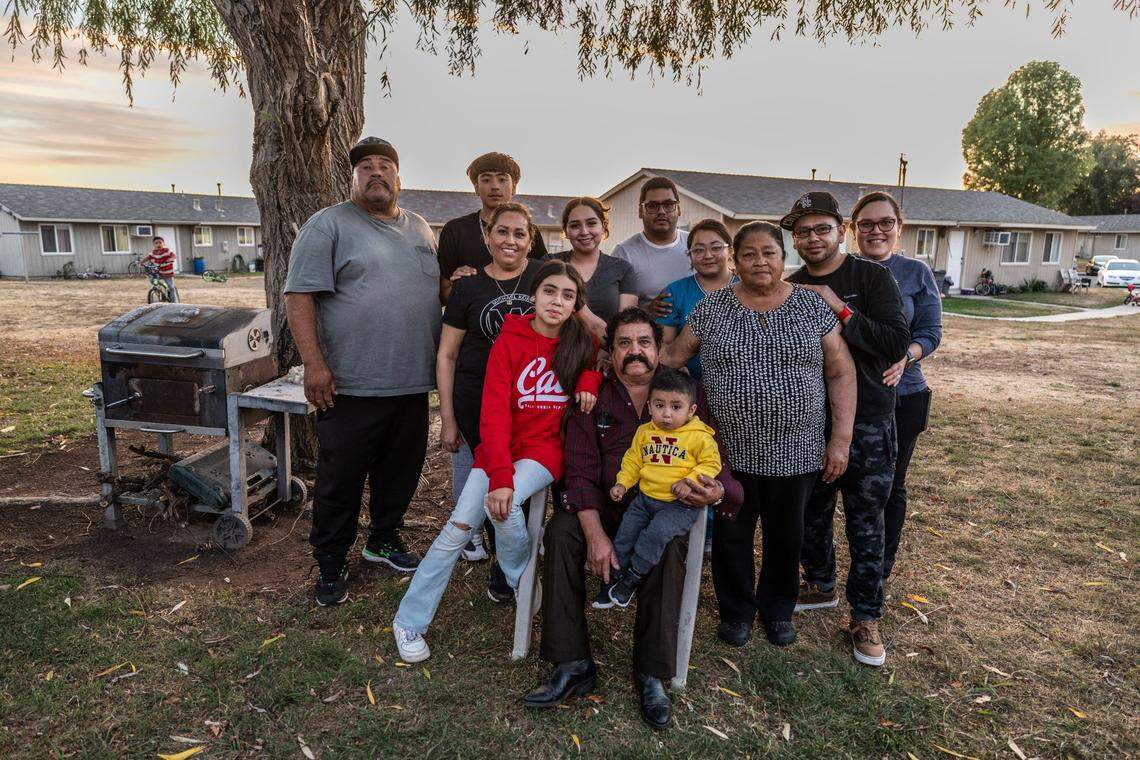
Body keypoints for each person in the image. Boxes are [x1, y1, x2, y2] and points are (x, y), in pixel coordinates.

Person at [522, 308, 743, 730]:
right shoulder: (593, 398)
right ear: (611, 351)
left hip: (663, 507)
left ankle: (651, 672)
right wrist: (595, 535)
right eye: (624, 343)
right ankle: (572, 664)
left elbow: (719, 466)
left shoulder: (686, 394)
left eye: (644, 342)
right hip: (606, 505)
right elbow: (579, 470)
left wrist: (718, 491)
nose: (635, 351)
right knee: (563, 530)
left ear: (659, 350)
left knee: (667, 540)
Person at [392, 261, 601, 663]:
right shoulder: (509, 340)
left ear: (576, 304)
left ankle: (515, 575)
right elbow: (494, 413)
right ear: (534, 295)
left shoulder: (582, 341)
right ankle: (411, 620)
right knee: (458, 528)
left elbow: (592, 371)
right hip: (499, 447)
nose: (557, 301)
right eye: (550, 292)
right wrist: (500, 474)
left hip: (544, 451)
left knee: (502, 510)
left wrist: (589, 382)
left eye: (568, 295)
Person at [661, 221, 857, 649]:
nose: (760, 261)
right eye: (749, 253)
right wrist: (630, 350)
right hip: (726, 451)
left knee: (786, 534)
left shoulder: (810, 306)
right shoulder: (712, 308)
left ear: (782, 257)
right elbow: (675, 357)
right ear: (736, 260)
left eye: (768, 252)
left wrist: (839, 439)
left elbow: (840, 371)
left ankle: (778, 609)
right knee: (732, 533)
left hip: (797, 447)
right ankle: (736, 612)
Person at [284, 136, 441, 606]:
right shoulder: (328, 225)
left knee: (402, 471)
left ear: (399, 177)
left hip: (411, 381)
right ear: (353, 178)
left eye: (385, 166)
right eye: (366, 167)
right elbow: (299, 296)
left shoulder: (420, 229)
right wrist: (314, 364)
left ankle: (383, 540)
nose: (376, 173)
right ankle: (331, 561)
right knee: (341, 478)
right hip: (351, 384)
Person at [783, 192, 911, 667]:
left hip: (871, 421)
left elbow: (894, 341)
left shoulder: (871, 277)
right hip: (809, 422)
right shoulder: (790, 286)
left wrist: (836, 304)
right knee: (812, 513)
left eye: (821, 229)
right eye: (802, 231)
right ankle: (818, 583)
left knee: (865, 521)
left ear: (840, 229)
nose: (812, 239)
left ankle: (866, 614)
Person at [437, 151, 548, 566]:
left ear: (530, 237)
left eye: (519, 234)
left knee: (520, 477)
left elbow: (573, 323)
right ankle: (472, 536)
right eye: (502, 232)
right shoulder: (467, 286)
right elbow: (447, 354)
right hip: (475, 395)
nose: (510, 240)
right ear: (488, 237)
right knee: (473, 472)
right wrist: (447, 417)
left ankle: (518, 546)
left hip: (529, 398)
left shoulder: (543, 277)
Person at [849, 191, 942, 582]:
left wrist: (907, 356)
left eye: (885, 222)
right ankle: (819, 572)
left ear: (898, 228)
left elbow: (930, 331)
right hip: (845, 392)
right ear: (853, 230)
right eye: (866, 224)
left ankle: (880, 568)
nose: (876, 230)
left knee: (891, 483)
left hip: (903, 394)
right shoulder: (839, 270)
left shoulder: (916, 273)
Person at [598, 368, 721, 608]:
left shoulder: (699, 437)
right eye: (659, 405)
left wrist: (690, 481)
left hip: (678, 506)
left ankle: (632, 577)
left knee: (653, 535)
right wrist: (622, 483)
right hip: (644, 499)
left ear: (691, 410)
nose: (666, 414)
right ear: (650, 405)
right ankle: (614, 577)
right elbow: (633, 460)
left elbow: (711, 463)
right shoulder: (645, 432)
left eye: (676, 407)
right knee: (624, 535)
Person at [437, 151, 547, 304]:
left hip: (521, 322)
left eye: (502, 179)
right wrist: (458, 283)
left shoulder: (527, 232)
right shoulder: (455, 230)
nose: (495, 186)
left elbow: (547, 285)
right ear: (476, 187)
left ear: (514, 187)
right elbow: (443, 295)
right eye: (486, 179)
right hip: (471, 323)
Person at [657, 218, 738, 379]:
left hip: (739, 383)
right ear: (689, 254)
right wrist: (673, 368)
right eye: (699, 250)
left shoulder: (747, 288)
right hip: (689, 386)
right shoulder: (674, 292)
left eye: (716, 248)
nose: (708, 255)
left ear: (730, 251)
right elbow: (664, 344)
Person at [543, 197, 637, 334]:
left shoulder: (623, 269)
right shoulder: (550, 263)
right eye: (575, 225)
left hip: (606, 352)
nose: (584, 232)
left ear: (604, 226)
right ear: (566, 230)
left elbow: (625, 328)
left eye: (591, 223)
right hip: (554, 351)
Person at [611, 176, 692, 319]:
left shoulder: (695, 245)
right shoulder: (624, 253)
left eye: (668, 204)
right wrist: (647, 311)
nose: (661, 211)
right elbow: (612, 308)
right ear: (640, 211)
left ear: (678, 209)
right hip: (646, 336)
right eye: (652, 206)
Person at [145, 236, 178, 303]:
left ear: (163, 243)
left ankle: (174, 302)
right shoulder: (153, 252)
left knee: (171, 287)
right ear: (154, 245)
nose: (158, 244)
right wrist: (141, 262)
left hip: (168, 273)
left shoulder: (167, 250)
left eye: (160, 243)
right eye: (156, 243)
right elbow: (148, 257)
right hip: (159, 272)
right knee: (154, 281)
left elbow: (174, 256)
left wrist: (169, 259)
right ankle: (159, 293)